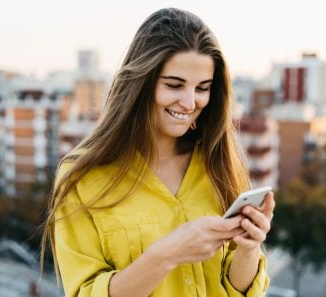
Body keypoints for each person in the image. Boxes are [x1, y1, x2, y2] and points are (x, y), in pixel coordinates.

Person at [40, 7, 275, 297]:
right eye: (174, 85)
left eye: (203, 88)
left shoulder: (219, 163)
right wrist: (168, 254)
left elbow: (239, 290)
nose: (189, 103)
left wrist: (249, 248)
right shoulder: (83, 177)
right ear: (141, 84)